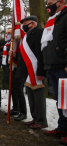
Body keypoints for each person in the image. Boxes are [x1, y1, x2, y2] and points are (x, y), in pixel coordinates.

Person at [11, 16, 48, 128]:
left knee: (38, 98)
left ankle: (41, 121)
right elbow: (24, 55)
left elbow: (40, 52)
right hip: (28, 71)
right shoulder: (27, 36)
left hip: (36, 70)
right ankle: (35, 118)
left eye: (25, 23)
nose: (23, 26)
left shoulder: (39, 32)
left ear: (32, 24)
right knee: (31, 97)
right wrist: (15, 55)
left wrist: (41, 71)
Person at [42, 0, 67, 144]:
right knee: (61, 100)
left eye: (51, 1)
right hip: (52, 65)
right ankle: (63, 127)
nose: (48, 4)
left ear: (61, 2)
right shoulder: (53, 20)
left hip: (62, 65)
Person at [2, 28, 27, 120]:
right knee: (13, 91)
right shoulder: (8, 45)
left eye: (9, 33)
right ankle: (15, 108)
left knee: (19, 92)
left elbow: (23, 55)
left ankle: (23, 112)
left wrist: (15, 55)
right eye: (6, 33)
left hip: (18, 70)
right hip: (10, 70)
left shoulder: (19, 43)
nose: (7, 34)